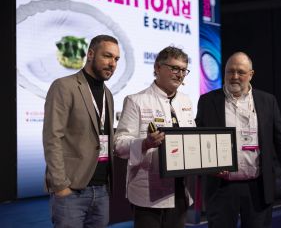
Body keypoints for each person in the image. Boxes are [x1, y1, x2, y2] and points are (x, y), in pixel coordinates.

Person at [195, 52, 281, 228]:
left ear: (251, 74)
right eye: (230, 71)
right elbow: (197, 141)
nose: (235, 76)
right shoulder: (207, 101)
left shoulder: (267, 101)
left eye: (240, 72)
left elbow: (280, 139)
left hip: (258, 186)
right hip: (221, 188)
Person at [43, 34, 120, 227]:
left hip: (102, 190)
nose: (112, 63)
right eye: (107, 56)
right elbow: (52, 137)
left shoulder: (108, 94)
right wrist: (60, 186)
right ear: (91, 54)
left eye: (116, 59)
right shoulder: (64, 86)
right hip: (72, 190)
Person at [114, 46, 195, 228]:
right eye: (174, 68)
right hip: (148, 195)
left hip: (180, 191)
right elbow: (119, 145)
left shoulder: (186, 101)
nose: (180, 74)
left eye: (183, 70)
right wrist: (144, 143)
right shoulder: (136, 100)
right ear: (157, 68)